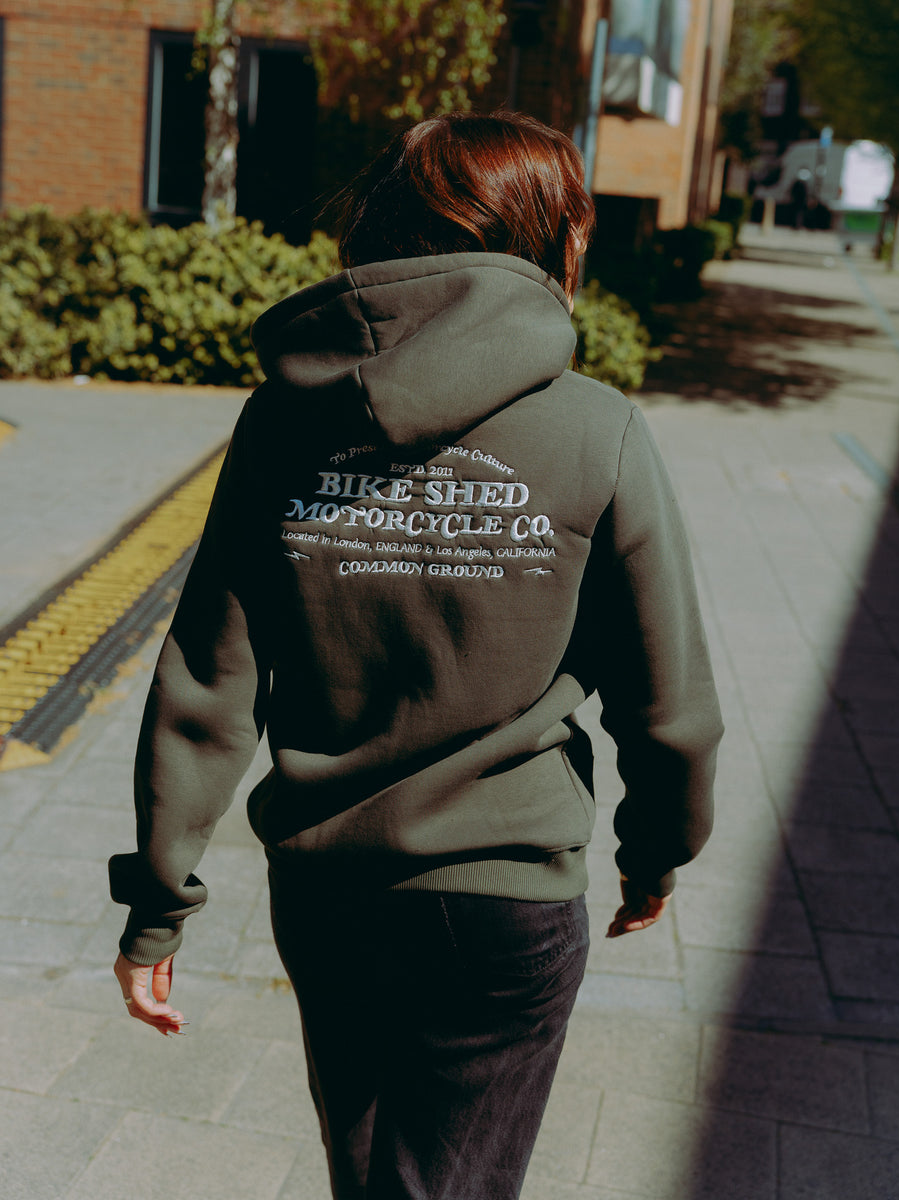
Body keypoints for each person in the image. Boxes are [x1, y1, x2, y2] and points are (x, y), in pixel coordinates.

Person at [110, 110, 723, 1200]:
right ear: (555, 241)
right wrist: (655, 850)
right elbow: (669, 706)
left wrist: (160, 897)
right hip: (504, 902)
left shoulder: (281, 420)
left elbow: (209, 679)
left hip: (326, 891)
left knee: (368, 1179)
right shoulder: (599, 430)